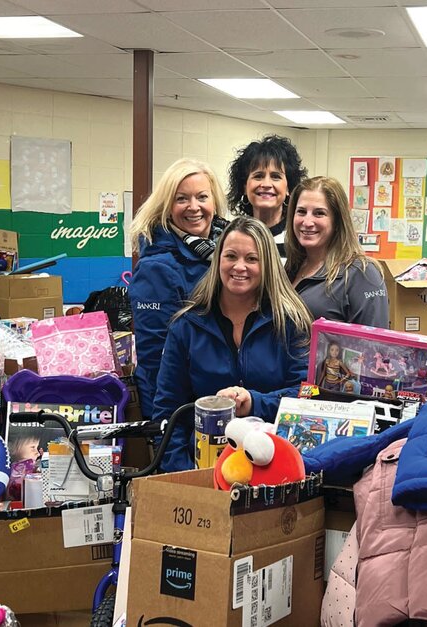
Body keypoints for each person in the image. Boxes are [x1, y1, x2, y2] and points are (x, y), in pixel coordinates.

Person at [152, 217, 312, 472]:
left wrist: (254, 402)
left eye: (251, 259)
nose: (239, 266)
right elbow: (168, 410)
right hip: (201, 467)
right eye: (230, 256)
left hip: (275, 468)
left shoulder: (290, 322)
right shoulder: (186, 327)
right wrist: (183, 473)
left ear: (267, 265)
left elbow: (306, 395)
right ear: (218, 261)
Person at [127, 158, 229, 418]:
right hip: (182, 408)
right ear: (168, 206)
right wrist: (169, 425)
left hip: (218, 397)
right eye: (182, 198)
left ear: (214, 201)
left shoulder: (223, 252)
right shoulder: (157, 268)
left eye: (202, 197)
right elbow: (156, 358)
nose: (194, 207)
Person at [285, 176, 390, 328]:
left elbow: (375, 346)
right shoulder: (292, 267)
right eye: (301, 212)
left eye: (319, 213)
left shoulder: (362, 273)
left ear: (337, 221)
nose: (307, 222)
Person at [227, 135, 307, 259]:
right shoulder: (232, 236)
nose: (266, 184)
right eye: (258, 176)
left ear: (288, 188)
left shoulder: (299, 239)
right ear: (244, 186)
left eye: (276, 176)